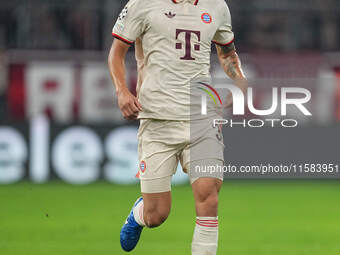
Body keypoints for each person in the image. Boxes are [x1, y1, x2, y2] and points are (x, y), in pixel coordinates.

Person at [108, 0, 247, 254]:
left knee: (208, 195)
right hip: (157, 120)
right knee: (157, 214)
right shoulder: (142, 4)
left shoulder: (216, 6)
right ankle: (139, 214)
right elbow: (116, 52)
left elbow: (227, 53)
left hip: (202, 119)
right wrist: (122, 91)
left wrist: (239, 80)